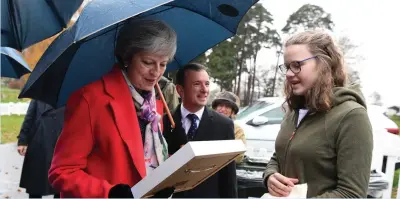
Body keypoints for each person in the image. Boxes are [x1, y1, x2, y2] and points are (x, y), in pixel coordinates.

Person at [48, 19, 177, 198]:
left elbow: (145, 162)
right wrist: (109, 193)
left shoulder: (154, 107)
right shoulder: (90, 100)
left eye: (162, 64)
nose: (156, 72)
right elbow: (62, 171)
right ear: (127, 58)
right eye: (148, 62)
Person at [263, 30, 373, 198]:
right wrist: (270, 176)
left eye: (297, 65)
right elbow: (279, 156)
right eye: (286, 67)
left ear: (324, 64)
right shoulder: (294, 112)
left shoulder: (352, 116)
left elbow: (352, 194)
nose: (288, 74)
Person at [163, 63, 238, 198]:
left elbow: (228, 177)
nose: (205, 90)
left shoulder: (224, 125)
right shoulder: (164, 122)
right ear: (180, 90)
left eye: (207, 84)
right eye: (197, 84)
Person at [17, 99, 64, 198]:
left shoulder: (71, 95)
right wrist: (22, 141)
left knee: (60, 184)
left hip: (62, 144)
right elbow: (29, 117)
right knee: (35, 183)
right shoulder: (39, 95)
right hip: (39, 141)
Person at [211, 91, 246, 163]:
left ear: (232, 111)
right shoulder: (206, 124)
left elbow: (238, 156)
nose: (223, 109)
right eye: (220, 105)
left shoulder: (237, 130)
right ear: (215, 108)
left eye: (227, 107)